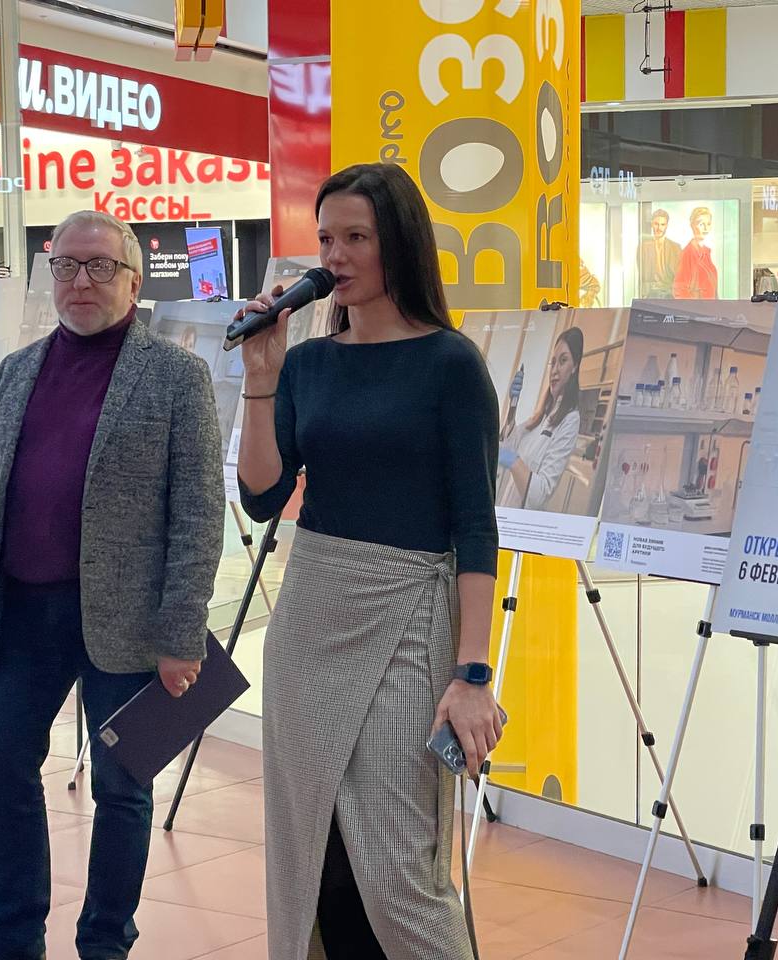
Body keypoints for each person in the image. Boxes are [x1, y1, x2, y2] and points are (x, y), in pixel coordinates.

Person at [236, 162, 503, 960]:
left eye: (356, 237)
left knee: (397, 872)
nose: (335, 256)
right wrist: (261, 380)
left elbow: (476, 529)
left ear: (400, 245)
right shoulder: (307, 364)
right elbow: (262, 495)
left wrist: (473, 673)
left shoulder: (451, 365)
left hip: (408, 616)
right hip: (309, 615)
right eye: (326, 238)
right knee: (312, 858)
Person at [0, 209, 225, 960]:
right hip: (23, 613)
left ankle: (105, 942)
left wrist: (181, 633)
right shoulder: (16, 372)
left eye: (101, 266)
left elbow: (199, 514)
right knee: (1, 766)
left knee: (122, 787)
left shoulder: (177, 377)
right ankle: (12, 937)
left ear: (133, 281)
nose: (81, 281)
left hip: (131, 624)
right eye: (66, 265)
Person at [496, 327, 585, 511]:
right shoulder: (542, 414)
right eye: (553, 362)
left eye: (563, 361)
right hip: (507, 510)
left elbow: (540, 494)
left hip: (526, 522)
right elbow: (508, 444)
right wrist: (513, 405)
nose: (555, 370)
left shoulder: (570, 420)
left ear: (575, 366)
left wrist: (513, 460)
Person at [673, 206, 720, 300]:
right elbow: (679, 291)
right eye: (701, 224)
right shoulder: (688, 253)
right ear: (692, 225)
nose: (706, 228)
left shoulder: (706, 252)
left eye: (708, 224)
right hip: (699, 307)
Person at [638, 208, 681, 299]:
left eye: (662, 224)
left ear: (667, 226)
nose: (659, 228)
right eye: (656, 224)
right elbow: (642, 275)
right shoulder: (643, 247)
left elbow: (679, 276)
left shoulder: (676, 247)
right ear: (652, 224)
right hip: (650, 293)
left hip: (670, 293)